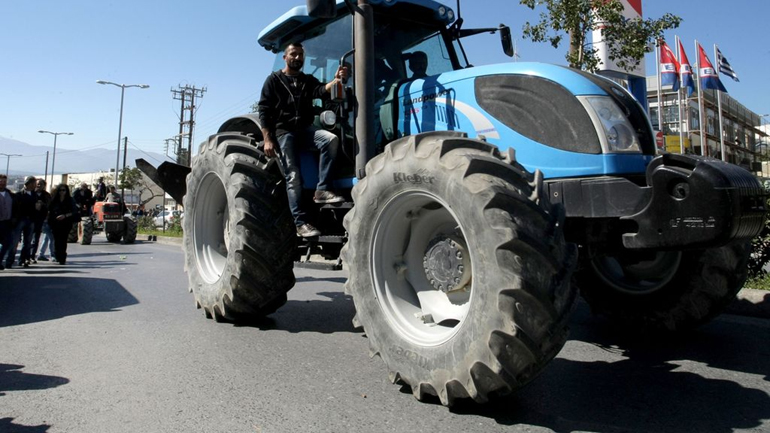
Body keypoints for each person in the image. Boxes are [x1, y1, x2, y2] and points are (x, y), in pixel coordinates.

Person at [258, 42, 349, 238]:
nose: (298, 58)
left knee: (330, 139)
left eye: (300, 55)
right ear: (285, 57)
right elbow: (264, 111)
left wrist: (337, 80)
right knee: (294, 176)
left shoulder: (307, 80)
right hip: (284, 133)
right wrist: (267, 139)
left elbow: (321, 90)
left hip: (305, 130)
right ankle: (300, 223)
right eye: (293, 54)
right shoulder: (273, 80)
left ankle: (322, 190)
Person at [7, 176, 38, 268]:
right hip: (20, 220)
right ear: (28, 183)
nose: (34, 185)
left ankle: (23, 260)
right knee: (15, 242)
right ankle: (10, 261)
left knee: (27, 242)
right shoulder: (18, 195)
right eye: (33, 183)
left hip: (31, 220)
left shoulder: (34, 195)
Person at [48, 184, 78, 265]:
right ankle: (57, 255)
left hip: (66, 223)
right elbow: (49, 210)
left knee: (63, 240)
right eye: (60, 190)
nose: (62, 192)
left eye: (63, 190)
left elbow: (74, 211)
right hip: (55, 223)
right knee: (56, 240)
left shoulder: (70, 200)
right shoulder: (54, 200)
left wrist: (65, 216)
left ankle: (62, 257)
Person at [29, 178, 52, 264]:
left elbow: (50, 206)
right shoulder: (31, 193)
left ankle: (32, 256)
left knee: (36, 239)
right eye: (37, 184)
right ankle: (26, 256)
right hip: (30, 219)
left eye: (41, 184)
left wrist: (43, 205)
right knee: (28, 239)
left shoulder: (47, 195)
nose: (38, 186)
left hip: (41, 219)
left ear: (44, 186)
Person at [0, 174, 16, 270]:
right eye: (0, 181)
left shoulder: (10, 194)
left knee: (7, 243)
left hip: (7, 223)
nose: (2, 183)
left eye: (4, 182)